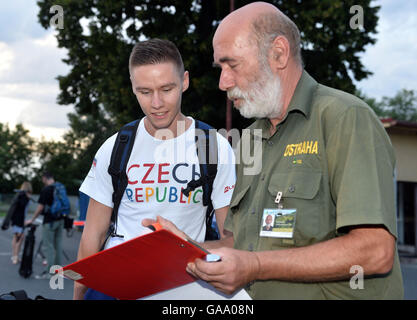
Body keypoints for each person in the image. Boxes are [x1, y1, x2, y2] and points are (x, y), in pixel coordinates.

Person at [152, 2, 404, 299]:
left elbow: (375, 250)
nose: (223, 82)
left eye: (232, 65)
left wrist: (255, 266)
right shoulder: (249, 139)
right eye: (221, 68)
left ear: (279, 54)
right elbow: (241, 248)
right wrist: (184, 248)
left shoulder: (345, 119)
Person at [74, 39, 236, 300]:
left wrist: (187, 246)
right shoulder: (115, 147)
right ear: (133, 88)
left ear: (184, 81)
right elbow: (92, 236)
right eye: (145, 92)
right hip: (117, 287)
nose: (157, 103)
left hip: (183, 287)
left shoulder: (213, 147)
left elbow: (232, 240)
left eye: (167, 89)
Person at [26, 172, 65, 279]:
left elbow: (40, 207)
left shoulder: (46, 189)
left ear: (44, 178)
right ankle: (58, 270)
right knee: (58, 245)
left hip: (49, 221)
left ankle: (50, 272)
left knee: (48, 246)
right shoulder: (60, 187)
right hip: (60, 219)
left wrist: (32, 219)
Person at [10, 182, 33, 264]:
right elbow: (20, 211)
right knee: (19, 239)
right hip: (18, 221)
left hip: (16, 220)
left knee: (16, 238)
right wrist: (23, 221)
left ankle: (15, 256)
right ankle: (15, 257)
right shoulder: (23, 198)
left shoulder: (21, 197)